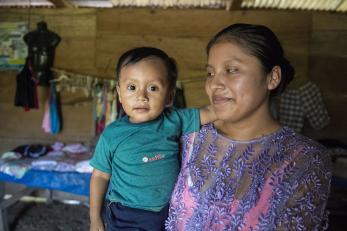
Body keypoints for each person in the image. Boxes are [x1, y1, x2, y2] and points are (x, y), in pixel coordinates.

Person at [165, 23, 332, 230]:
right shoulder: (188, 137)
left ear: (272, 77)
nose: (215, 84)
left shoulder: (305, 159)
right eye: (210, 73)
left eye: (232, 70)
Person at [89, 47, 216, 231]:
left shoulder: (174, 119)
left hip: (166, 211)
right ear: (119, 93)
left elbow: (212, 112)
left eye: (153, 88)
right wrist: (94, 218)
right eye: (132, 87)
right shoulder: (112, 134)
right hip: (124, 212)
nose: (141, 96)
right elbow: (100, 176)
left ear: (170, 96)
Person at [24, 21, 61, 85]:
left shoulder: (53, 36)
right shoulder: (29, 36)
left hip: (47, 70)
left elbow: (57, 40)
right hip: (33, 70)